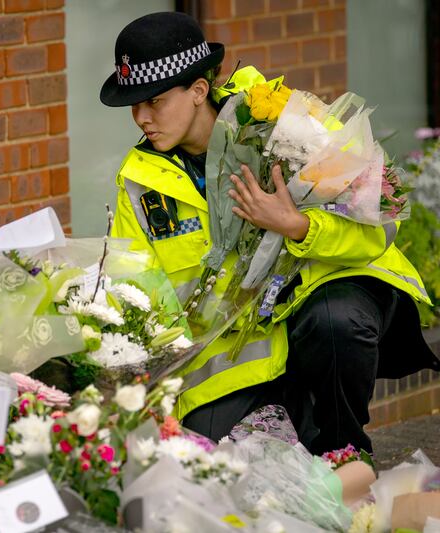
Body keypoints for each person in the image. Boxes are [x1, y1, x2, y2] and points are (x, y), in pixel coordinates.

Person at [100, 11, 439, 454]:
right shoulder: (138, 182)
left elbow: (378, 226)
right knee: (208, 462)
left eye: (155, 101)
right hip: (238, 354)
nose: (141, 117)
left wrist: (297, 225)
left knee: (331, 325)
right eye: (134, 104)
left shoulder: (287, 122)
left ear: (199, 90)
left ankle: (348, 455)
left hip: (330, 300)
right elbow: (136, 288)